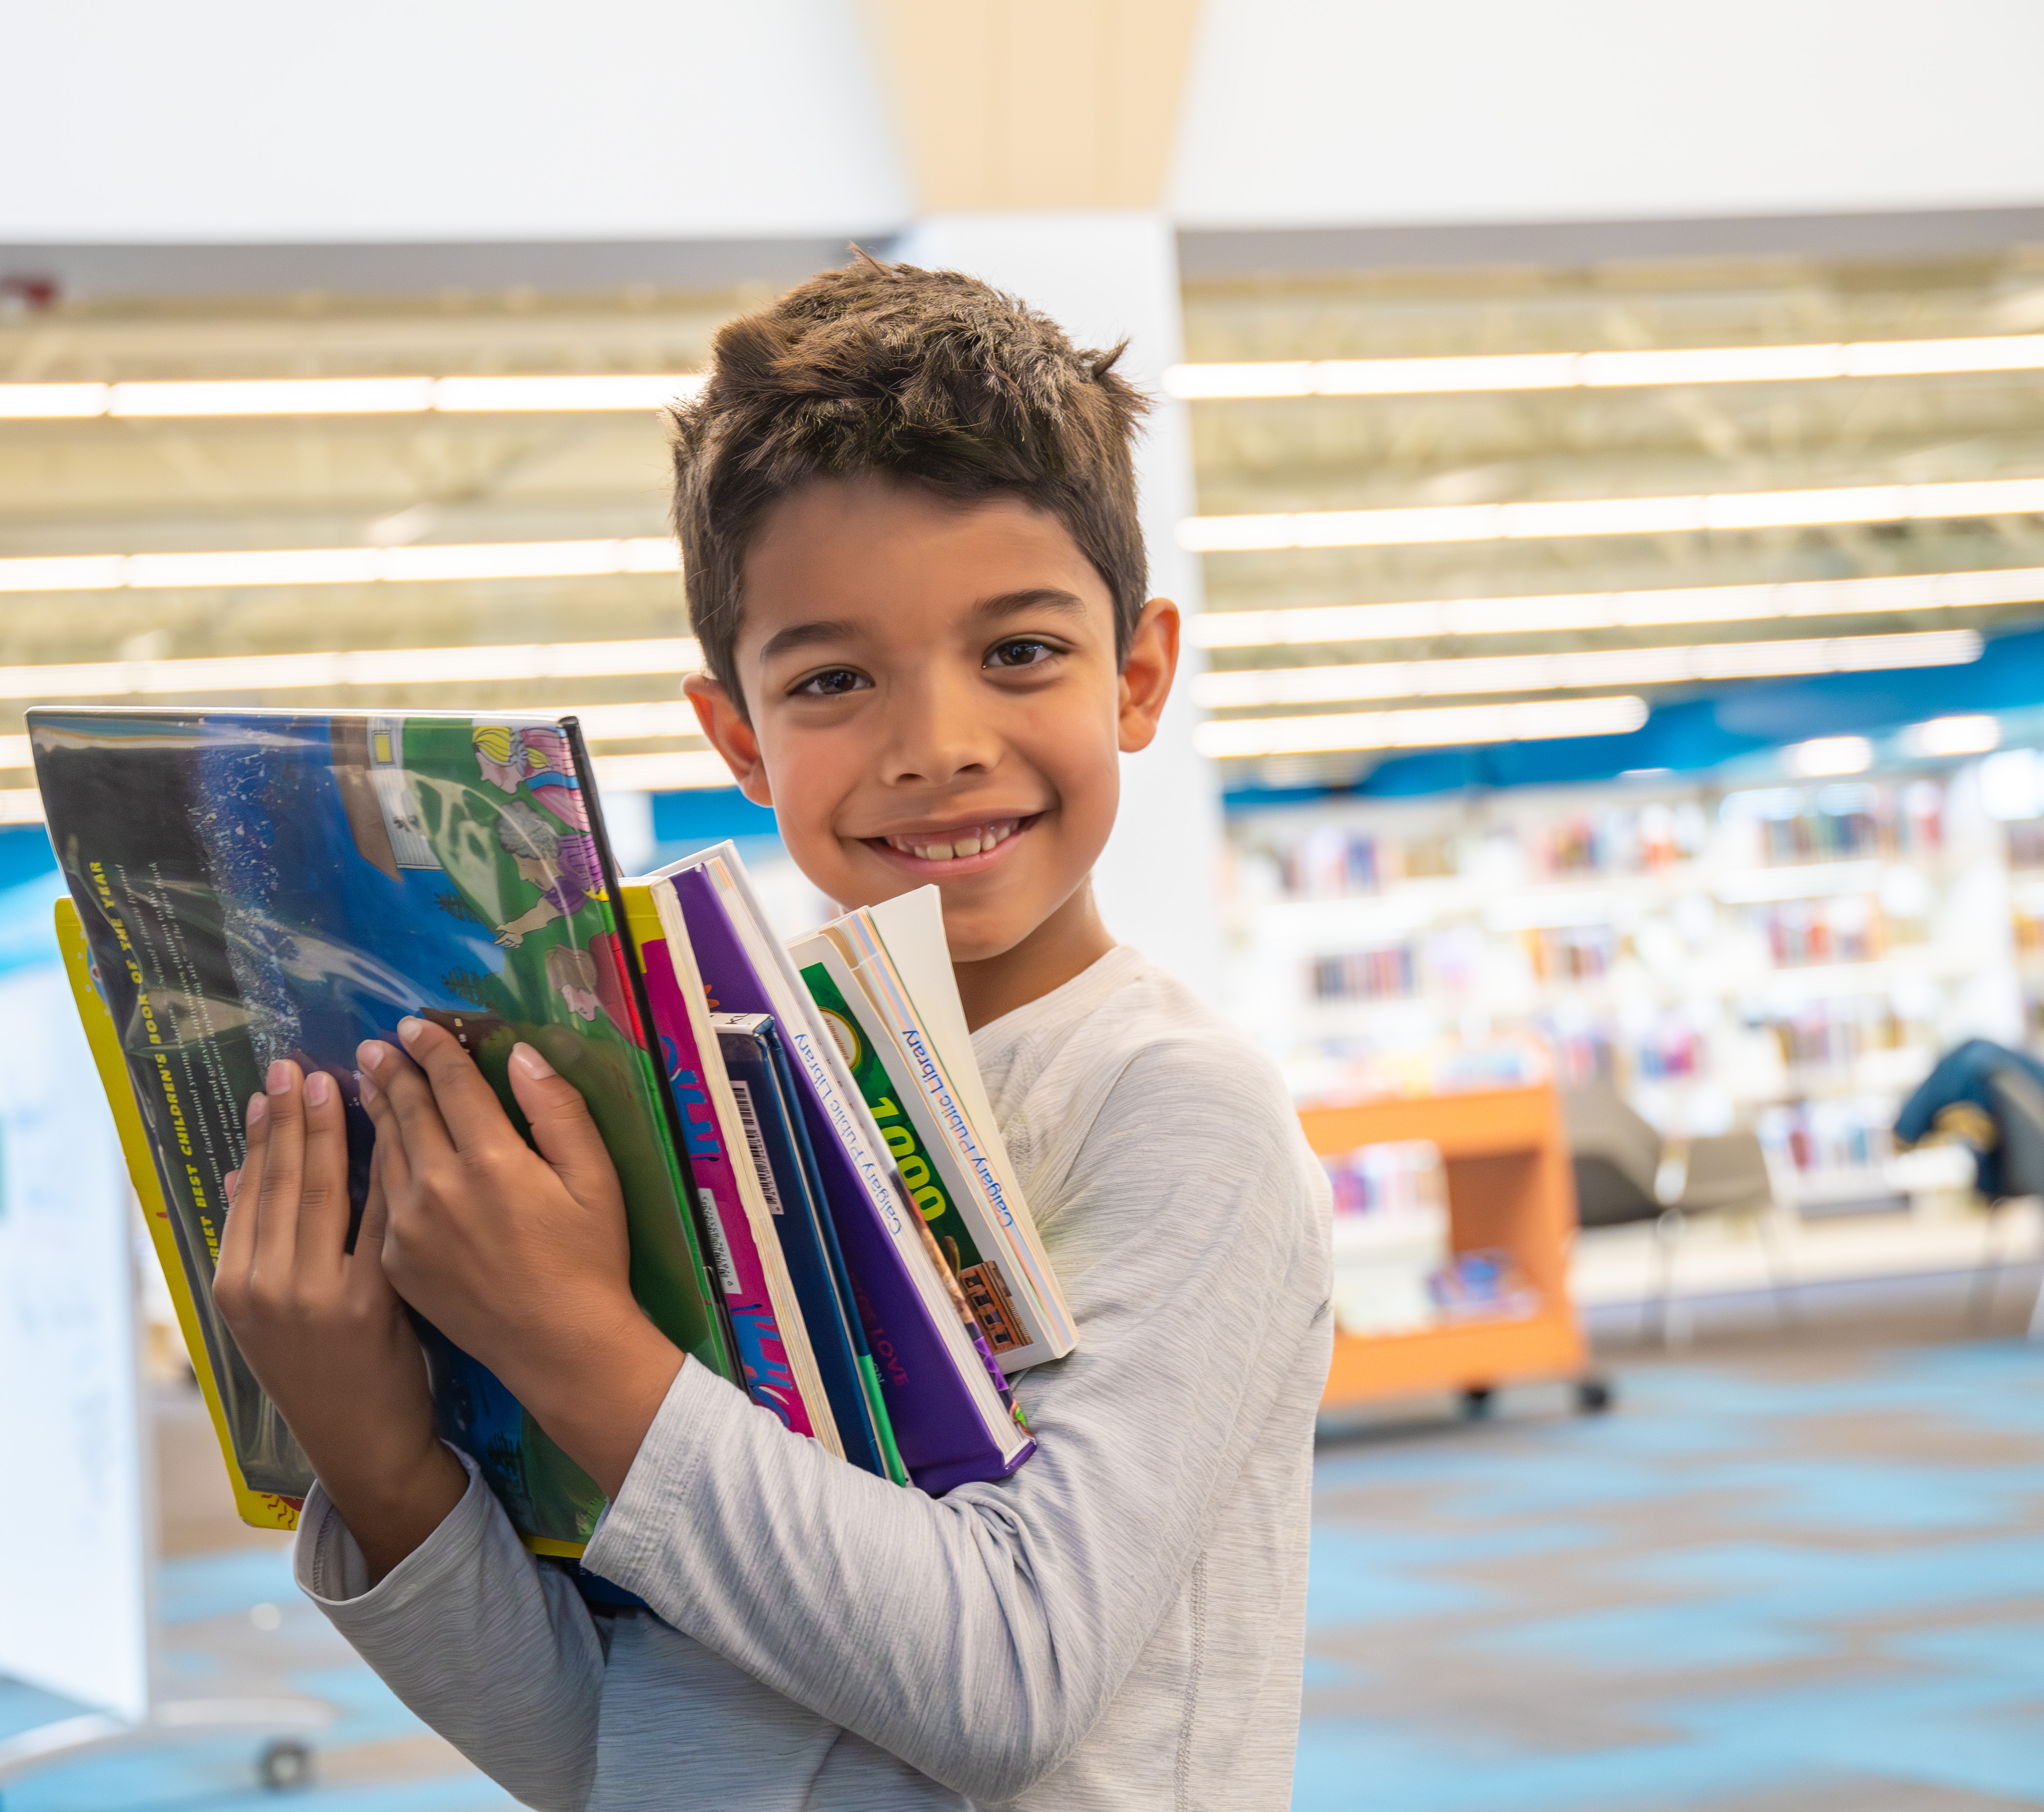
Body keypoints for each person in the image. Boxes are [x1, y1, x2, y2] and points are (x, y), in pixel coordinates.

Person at [211, 256, 1335, 1811]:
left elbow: (1008, 1676)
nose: (936, 745)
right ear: (735, 732)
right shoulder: (706, 1088)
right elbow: (612, 1752)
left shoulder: (1167, 1104)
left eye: (1017, 650)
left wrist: (573, 1337)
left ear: (1136, 673)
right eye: (832, 679)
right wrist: (379, 1459)